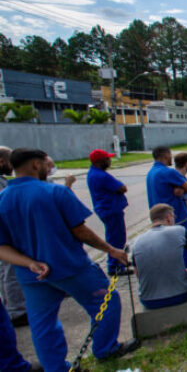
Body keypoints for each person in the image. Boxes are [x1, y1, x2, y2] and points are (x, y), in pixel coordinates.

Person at [0, 148, 139, 370]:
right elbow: (81, 231)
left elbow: (2, 247)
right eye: (47, 164)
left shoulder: (3, 199)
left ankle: (56, 368)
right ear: (36, 165)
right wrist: (111, 250)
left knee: (43, 324)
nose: (49, 168)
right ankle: (105, 349)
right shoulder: (55, 192)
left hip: (32, 275)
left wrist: (29, 263)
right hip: (70, 267)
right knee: (106, 302)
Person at [132, 204, 187, 310]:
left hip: (149, 301)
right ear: (168, 217)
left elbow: (138, 273)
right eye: (173, 217)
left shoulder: (136, 242)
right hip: (181, 294)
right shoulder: (179, 230)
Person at [86, 149, 130, 275]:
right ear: (101, 162)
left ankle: (119, 261)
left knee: (115, 236)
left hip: (107, 209)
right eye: (108, 159)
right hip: (111, 210)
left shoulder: (93, 173)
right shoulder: (102, 175)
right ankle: (115, 266)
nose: (110, 161)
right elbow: (122, 188)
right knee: (117, 238)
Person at [0, 145, 27, 329]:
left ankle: (11, 306)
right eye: (10, 162)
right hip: (5, 235)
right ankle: (17, 311)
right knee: (10, 270)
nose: (12, 166)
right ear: (2, 161)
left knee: (5, 271)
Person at [146, 146, 187, 236]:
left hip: (158, 218)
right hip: (176, 217)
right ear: (166, 155)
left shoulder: (151, 172)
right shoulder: (169, 172)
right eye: (170, 155)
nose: (171, 158)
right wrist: (182, 188)